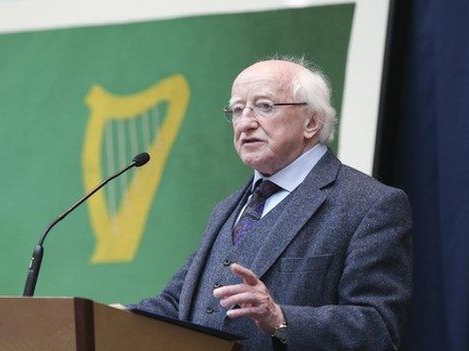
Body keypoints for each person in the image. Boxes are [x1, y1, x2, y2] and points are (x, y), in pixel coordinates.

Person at [133, 59, 412, 350]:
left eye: (264, 106)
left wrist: (280, 318)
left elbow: (377, 328)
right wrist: (101, 317)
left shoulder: (370, 204)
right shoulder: (227, 207)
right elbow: (178, 303)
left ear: (312, 122)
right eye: (238, 110)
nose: (245, 122)